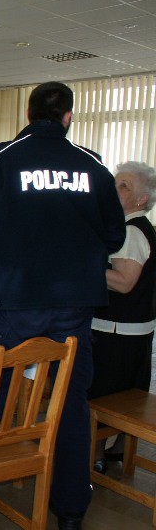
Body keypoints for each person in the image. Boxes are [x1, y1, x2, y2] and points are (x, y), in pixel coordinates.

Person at [0, 81, 126, 530]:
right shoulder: (93, 166)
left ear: (27, 114)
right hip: (73, 305)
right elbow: (114, 236)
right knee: (70, 402)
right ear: (68, 117)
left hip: (13, 300)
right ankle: (70, 511)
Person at [89, 161, 156, 474]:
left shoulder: (130, 231)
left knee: (103, 397)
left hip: (116, 331)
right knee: (127, 395)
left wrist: (85, 266)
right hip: (135, 331)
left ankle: (96, 455)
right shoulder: (143, 230)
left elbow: (124, 283)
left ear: (142, 199)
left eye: (124, 186)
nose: (114, 190)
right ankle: (118, 450)